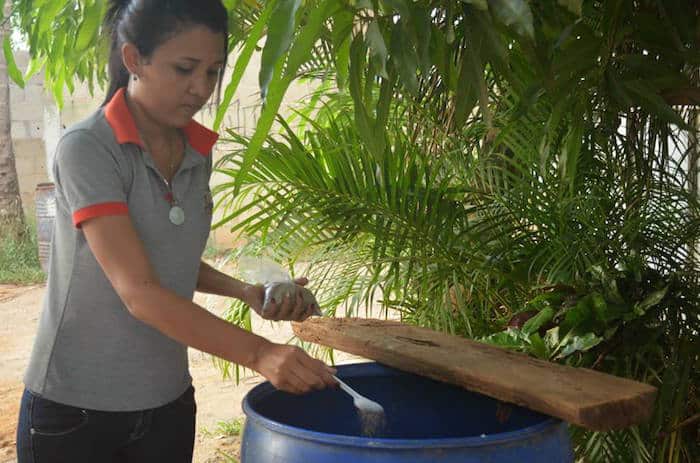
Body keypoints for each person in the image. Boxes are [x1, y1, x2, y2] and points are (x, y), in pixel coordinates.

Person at [16, 1, 336, 461]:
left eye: (212, 71)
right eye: (184, 69)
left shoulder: (194, 151)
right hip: (77, 411)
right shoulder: (88, 150)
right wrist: (261, 354)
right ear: (134, 60)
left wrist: (245, 290)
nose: (200, 89)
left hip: (166, 401)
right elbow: (140, 291)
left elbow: (167, 257)